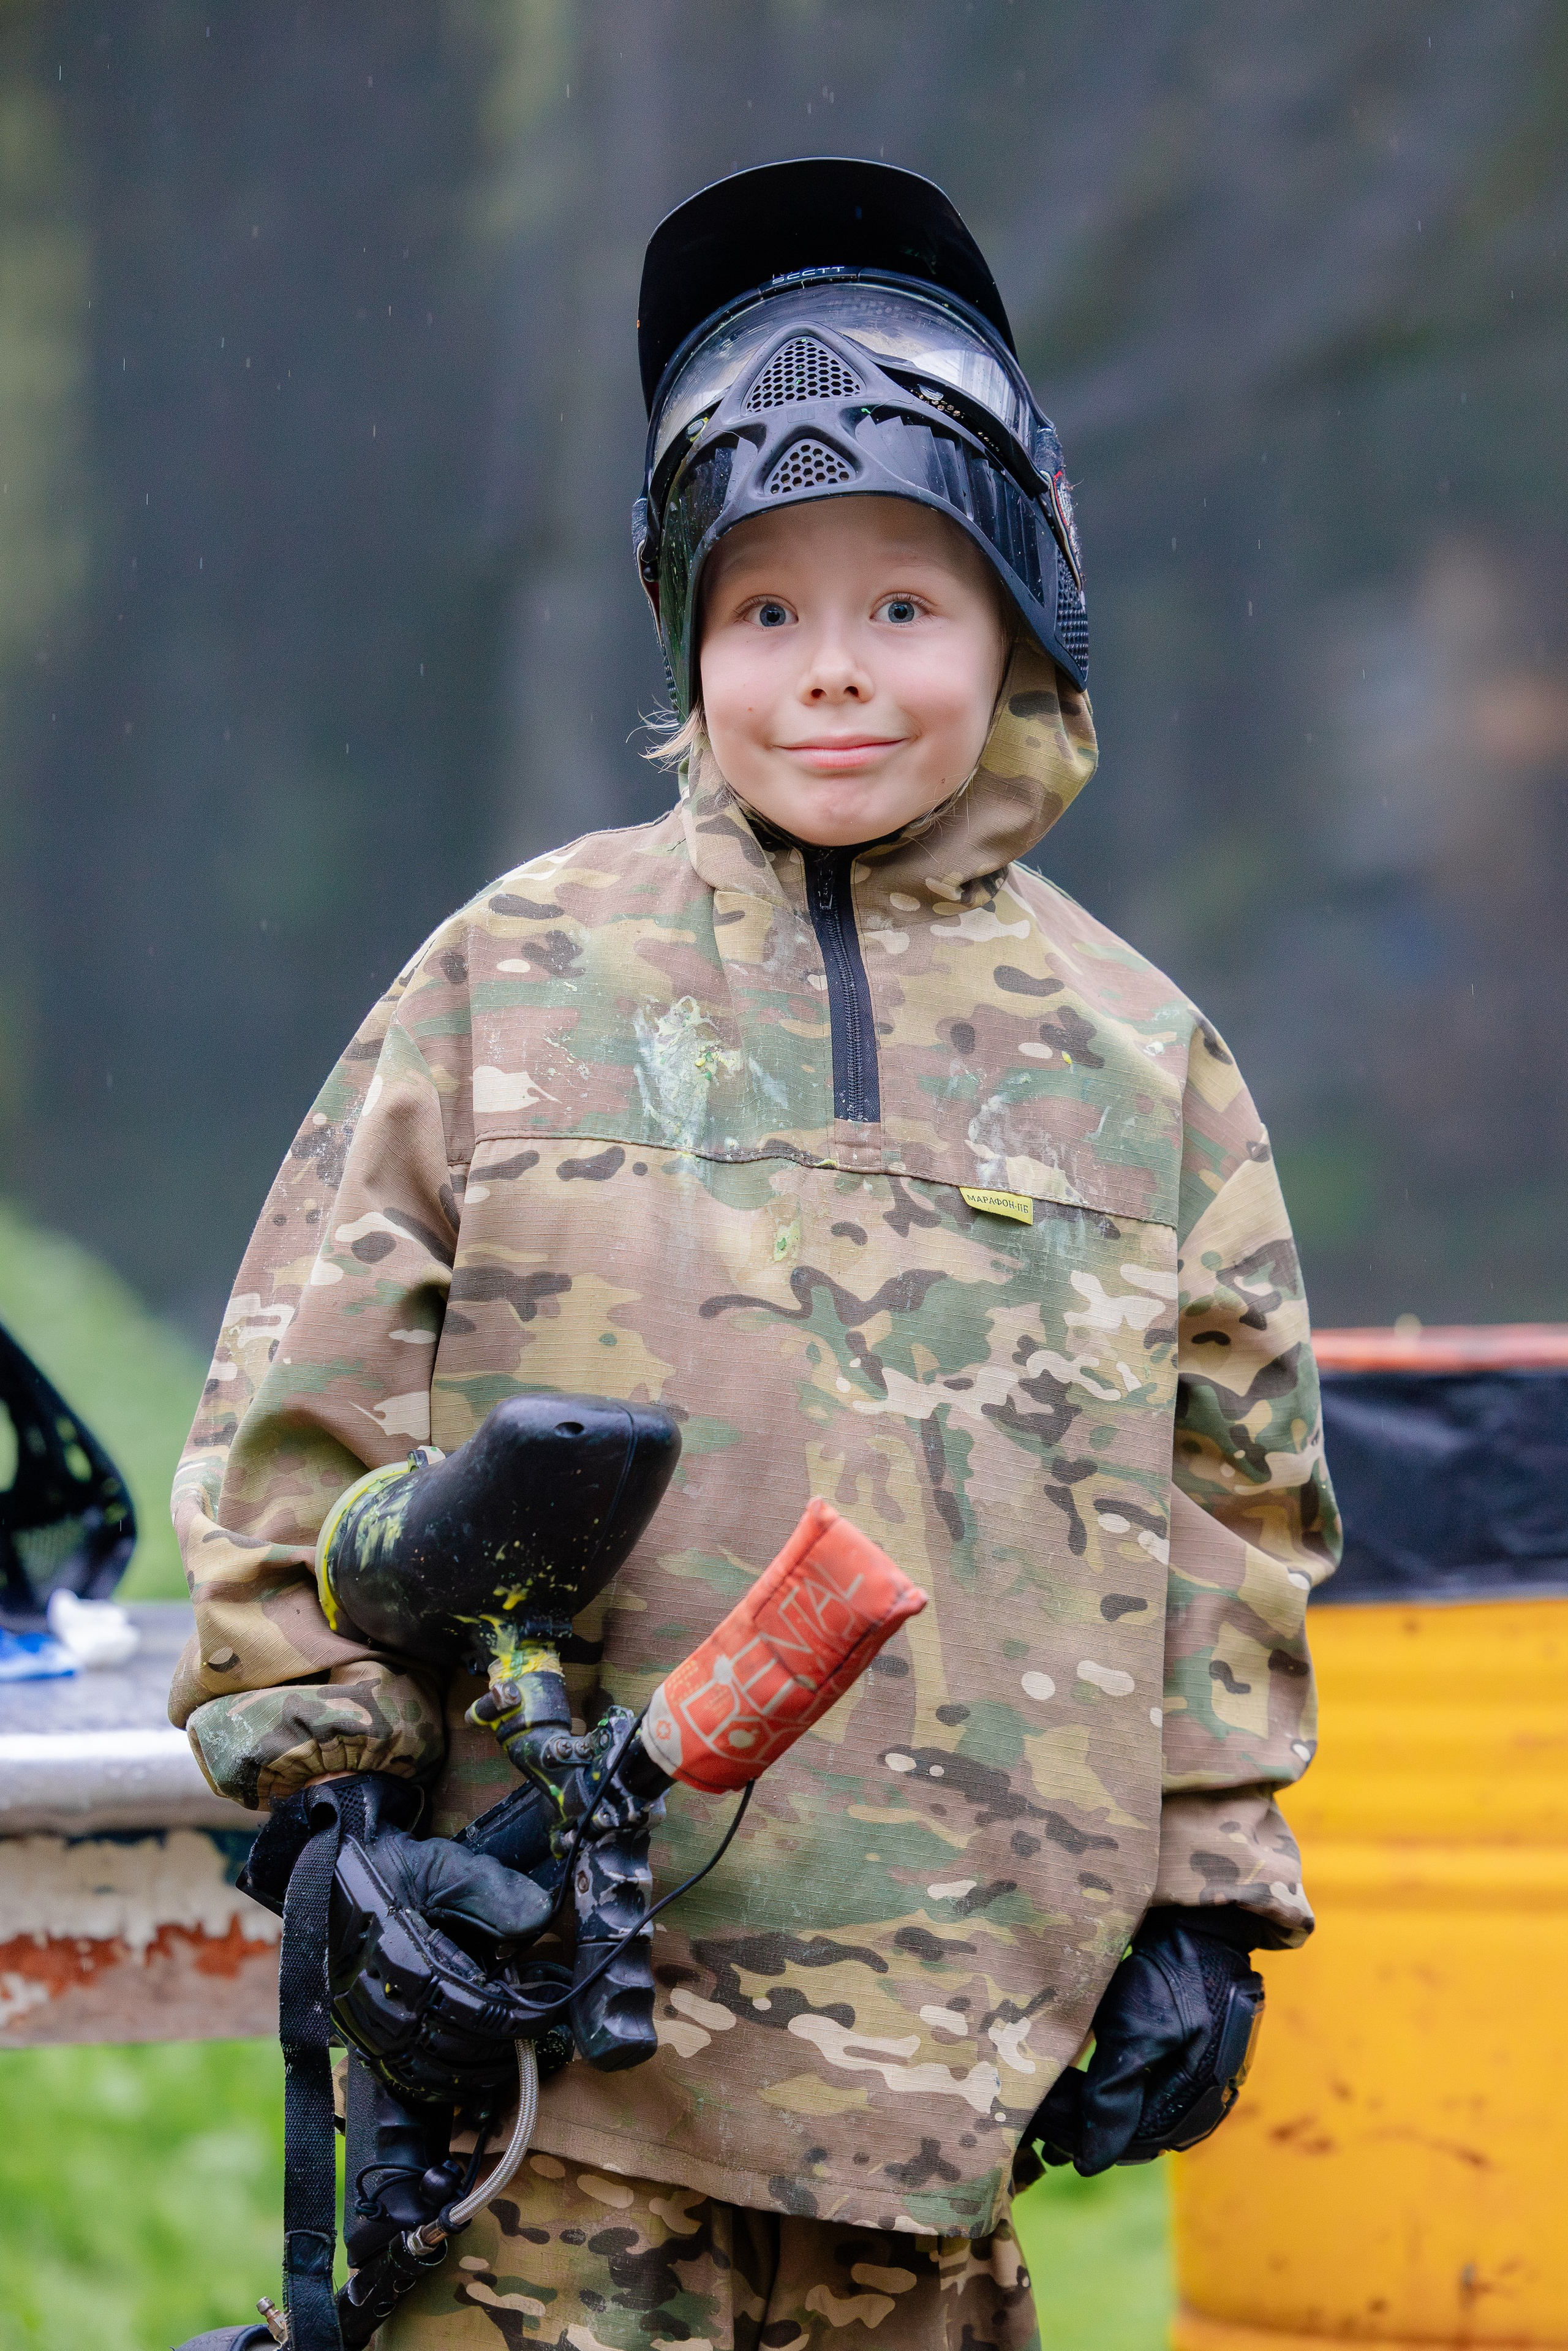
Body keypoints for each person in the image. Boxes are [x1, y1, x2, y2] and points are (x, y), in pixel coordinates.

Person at [171, 159, 1338, 2351]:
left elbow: (1232, 1511)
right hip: (548, 2074)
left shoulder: (1141, 1063)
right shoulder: (514, 980)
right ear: (689, 640)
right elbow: (300, 1428)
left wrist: (1205, 1897)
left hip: (944, 2102)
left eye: (905, 604)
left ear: (1025, 620)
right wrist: (333, 1826)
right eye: (765, 613)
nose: (834, 674)